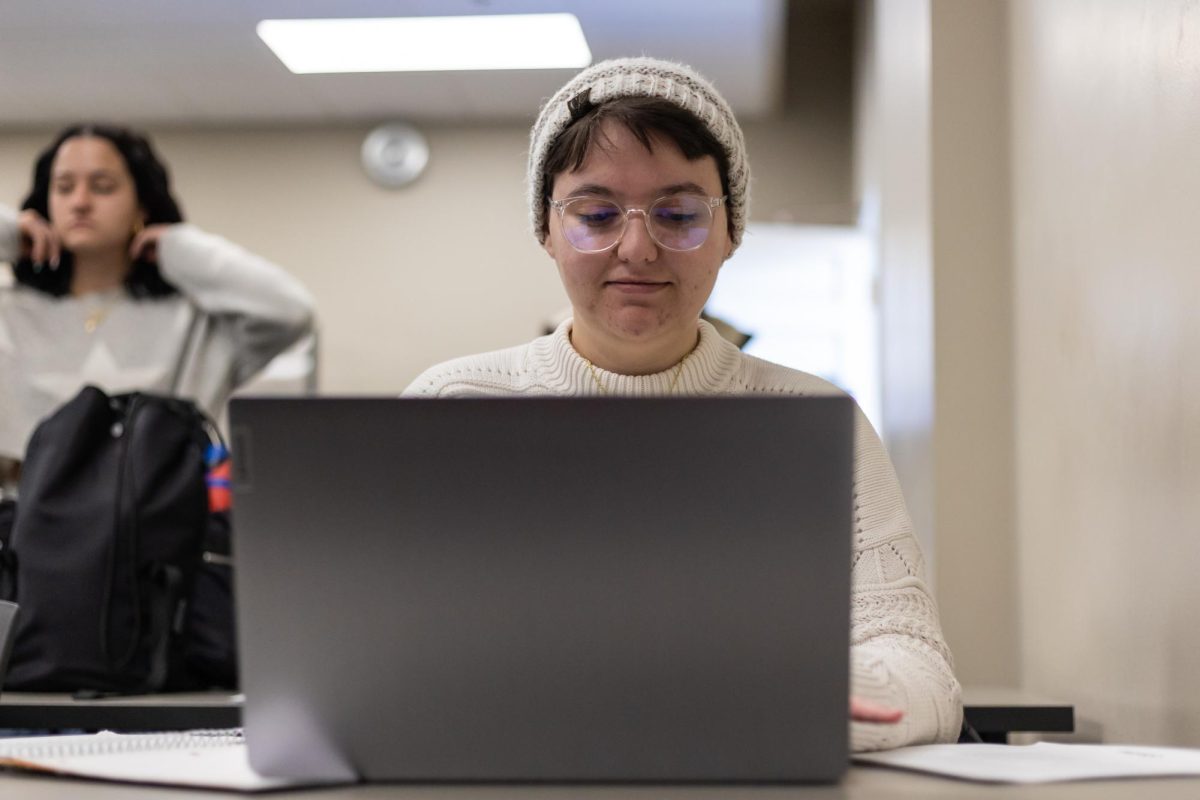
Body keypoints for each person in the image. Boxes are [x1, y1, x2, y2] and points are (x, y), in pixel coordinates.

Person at [405, 57, 962, 752]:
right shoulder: (449, 409)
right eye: (596, 214)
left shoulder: (814, 421)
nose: (637, 248)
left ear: (731, 234)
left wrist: (802, 693)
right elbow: (377, 655)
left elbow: (923, 672)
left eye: (678, 214)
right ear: (547, 231)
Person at [0, 124, 315, 492]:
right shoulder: (10, 312)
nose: (80, 202)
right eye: (64, 187)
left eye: (103, 186)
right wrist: (6, 234)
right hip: (27, 534)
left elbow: (291, 310)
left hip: (158, 531)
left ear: (142, 204)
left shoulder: (196, 322)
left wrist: (179, 247)